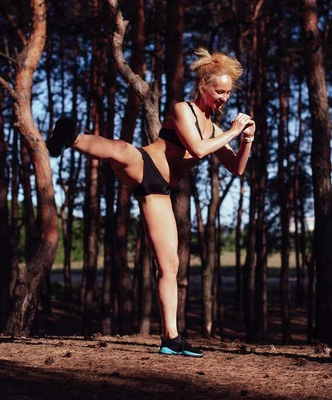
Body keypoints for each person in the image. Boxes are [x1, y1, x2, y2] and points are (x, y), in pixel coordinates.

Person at [46, 48, 255, 357]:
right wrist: (234, 131)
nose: (224, 97)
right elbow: (197, 150)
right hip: (146, 163)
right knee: (120, 149)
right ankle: (70, 138)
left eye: (228, 92)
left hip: (159, 191)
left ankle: (171, 338)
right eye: (219, 91)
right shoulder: (182, 109)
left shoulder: (214, 129)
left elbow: (237, 168)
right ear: (204, 86)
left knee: (170, 265)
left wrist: (246, 140)